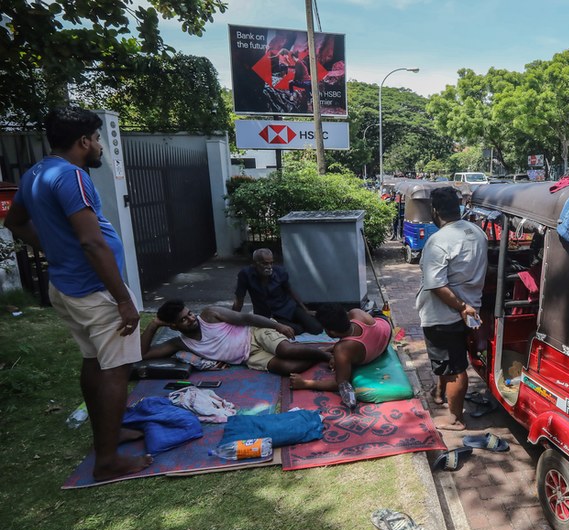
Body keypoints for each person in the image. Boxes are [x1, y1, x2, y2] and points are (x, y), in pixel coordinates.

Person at [4, 107, 152, 481]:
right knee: (117, 369)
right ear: (84, 141)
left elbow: (15, 223)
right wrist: (122, 299)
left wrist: (55, 251)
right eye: (98, 139)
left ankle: (108, 435)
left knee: (94, 360)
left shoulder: (37, 173)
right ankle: (107, 461)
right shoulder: (72, 177)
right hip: (95, 290)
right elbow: (92, 242)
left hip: (66, 286)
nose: (100, 146)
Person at [415, 187, 488, 431]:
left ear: (435, 212)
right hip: (468, 310)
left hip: (447, 314)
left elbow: (436, 284)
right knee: (446, 358)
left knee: (455, 366)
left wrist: (460, 306)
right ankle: (439, 393)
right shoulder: (476, 232)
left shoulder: (438, 241)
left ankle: (455, 418)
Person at [141, 300, 331, 376]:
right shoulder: (180, 343)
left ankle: (327, 357)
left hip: (255, 333)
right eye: (184, 319)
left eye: (190, 313)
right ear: (173, 326)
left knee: (286, 350)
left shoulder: (209, 314)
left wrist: (277, 325)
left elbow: (245, 317)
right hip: (248, 357)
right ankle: (322, 352)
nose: (191, 319)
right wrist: (153, 324)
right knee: (288, 368)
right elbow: (144, 354)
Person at [290, 304, 393, 408]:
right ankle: (330, 348)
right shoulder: (356, 313)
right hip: (386, 329)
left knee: (343, 349)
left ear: (332, 332)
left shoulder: (342, 350)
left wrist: (304, 383)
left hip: (377, 342)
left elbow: (339, 383)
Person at [232, 248, 322, 336]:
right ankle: (293, 324)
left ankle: (296, 321)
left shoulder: (280, 272)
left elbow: (290, 291)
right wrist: (231, 320)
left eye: (271, 263)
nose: (269, 266)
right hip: (268, 315)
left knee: (316, 328)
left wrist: (305, 310)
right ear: (255, 264)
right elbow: (239, 300)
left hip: (288, 308)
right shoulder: (245, 274)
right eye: (265, 263)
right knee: (296, 330)